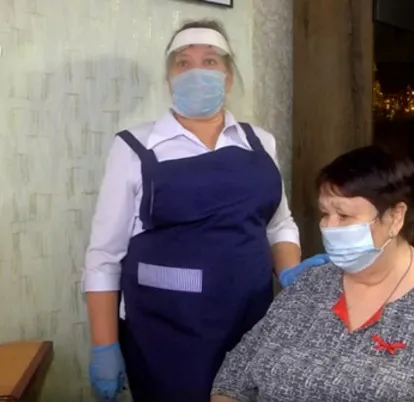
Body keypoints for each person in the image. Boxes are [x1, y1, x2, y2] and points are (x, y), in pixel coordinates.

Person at [83, 19, 327, 402]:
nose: (196, 71)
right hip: (166, 334)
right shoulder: (134, 147)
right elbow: (103, 257)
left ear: (228, 77)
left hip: (252, 322)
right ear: (169, 79)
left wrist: (290, 273)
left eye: (210, 61)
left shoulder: (259, 142)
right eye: (183, 62)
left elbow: (278, 224)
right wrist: (104, 344)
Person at [211, 145, 414, 402]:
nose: (329, 227)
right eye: (326, 213)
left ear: (395, 217)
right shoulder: (311, 284)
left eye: (344, 215)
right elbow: (232, 379)